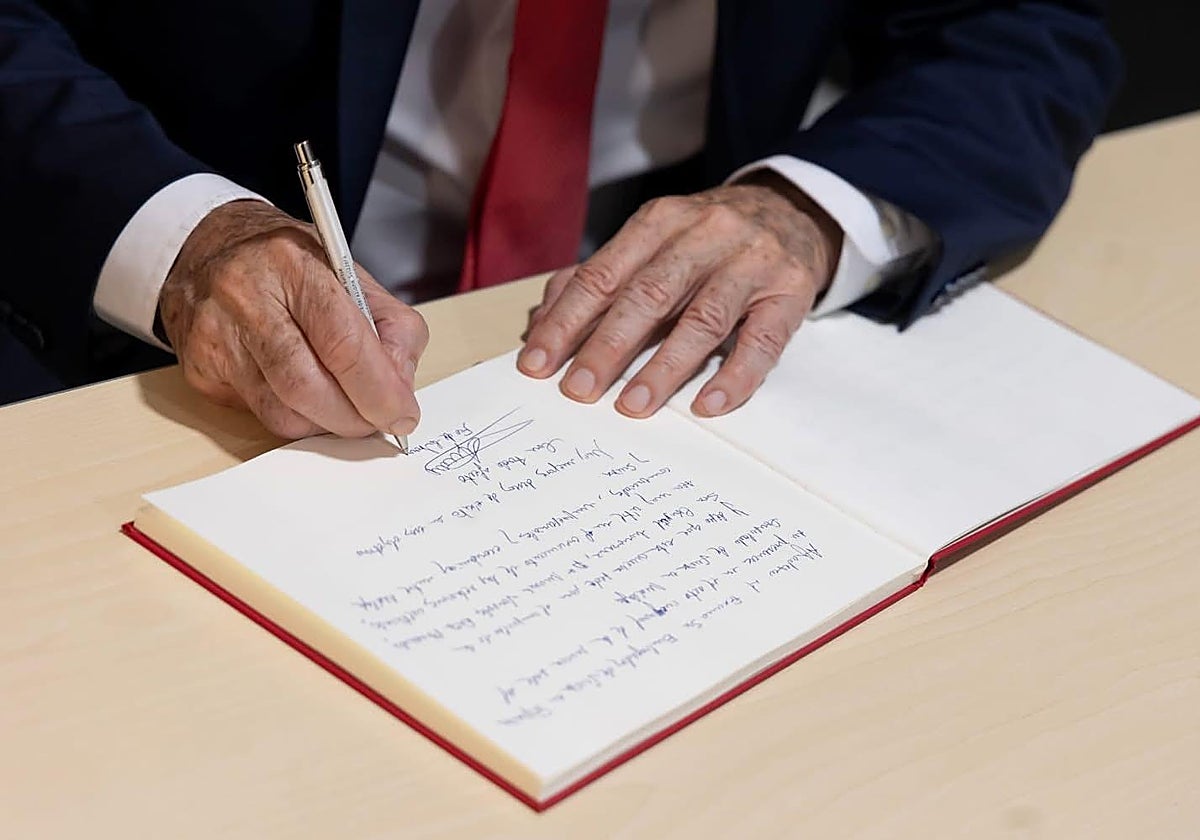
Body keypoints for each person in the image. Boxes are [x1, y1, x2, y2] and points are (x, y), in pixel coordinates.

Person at [0, 1, 1118, 438]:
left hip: (650, 350)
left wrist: (803, 210)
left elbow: (1025, 26)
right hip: (163, 348)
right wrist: (191, 243)